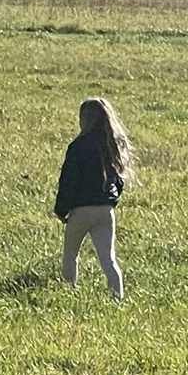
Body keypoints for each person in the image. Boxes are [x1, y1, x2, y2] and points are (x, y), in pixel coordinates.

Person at [53, 97, 130, 298]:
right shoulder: (112, 145)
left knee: (70, 256)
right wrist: (111, 199)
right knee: (109, 259)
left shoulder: (77, 146)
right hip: (105, 211)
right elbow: (119, 179)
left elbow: (69, 181)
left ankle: (69, 294)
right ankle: (117, 297)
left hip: (81, 211)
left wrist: (61, 210)